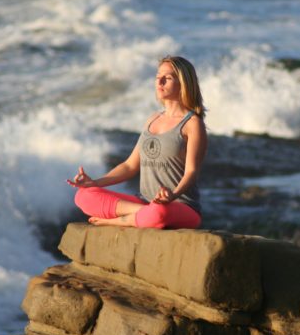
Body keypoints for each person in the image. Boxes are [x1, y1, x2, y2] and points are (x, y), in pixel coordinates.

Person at [67, 56, 207, 229]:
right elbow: (129, 166)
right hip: (146, 202)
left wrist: (172, 195)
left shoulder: (192, 124)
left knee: (160, 213)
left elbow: (191, 172)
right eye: (158, 77)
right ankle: (142, 213)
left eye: (168, 78)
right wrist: (95, 182)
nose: (160, 81)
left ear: (184, 83)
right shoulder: (153, 119)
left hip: (181, 206)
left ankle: (116, 221)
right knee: (83, 196)